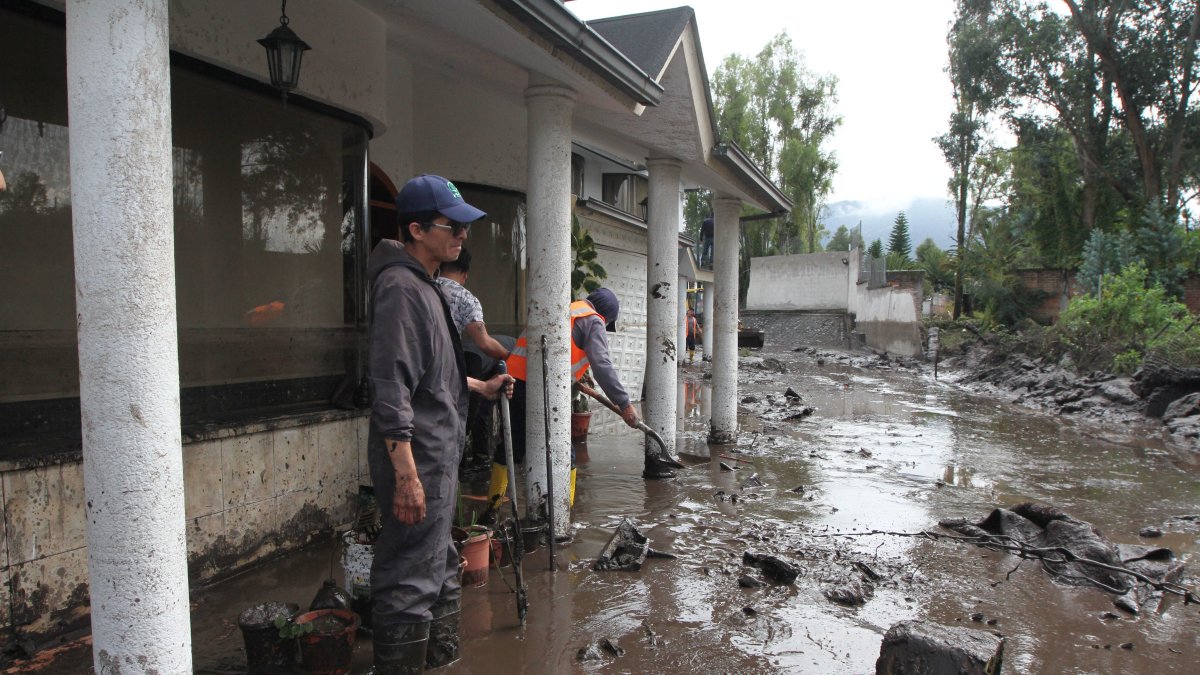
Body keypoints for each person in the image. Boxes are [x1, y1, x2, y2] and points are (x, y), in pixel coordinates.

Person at [366, 174, 512, 673]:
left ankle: (442, 662)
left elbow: (433, 382)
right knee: (410, 577)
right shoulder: (401, 290)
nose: (461, 236)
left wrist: (482, 388)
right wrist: (406, 474)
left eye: (463, 227)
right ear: (415, 229)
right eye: (452, 227)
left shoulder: (428, 286)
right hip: (418, 461)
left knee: (441, 566)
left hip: (436, 458)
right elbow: (392, 389)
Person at [487, 288, 682, 515]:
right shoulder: (593, 320)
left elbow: (557, 351)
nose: (605, 325)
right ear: (606, 316)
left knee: (512, 446)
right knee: (563, 451)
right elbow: (602, 365)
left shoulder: (567, 309)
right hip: (539, 388)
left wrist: (576, 377)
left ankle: (492, 509)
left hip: (513, 382)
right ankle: (564, 514)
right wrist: (625, 404)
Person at [436, 246, 510, 361]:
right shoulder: (466, 298)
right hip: (446, 365)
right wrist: (510, 357)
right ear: (465, 274)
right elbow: (485, 344)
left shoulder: (422, 287)